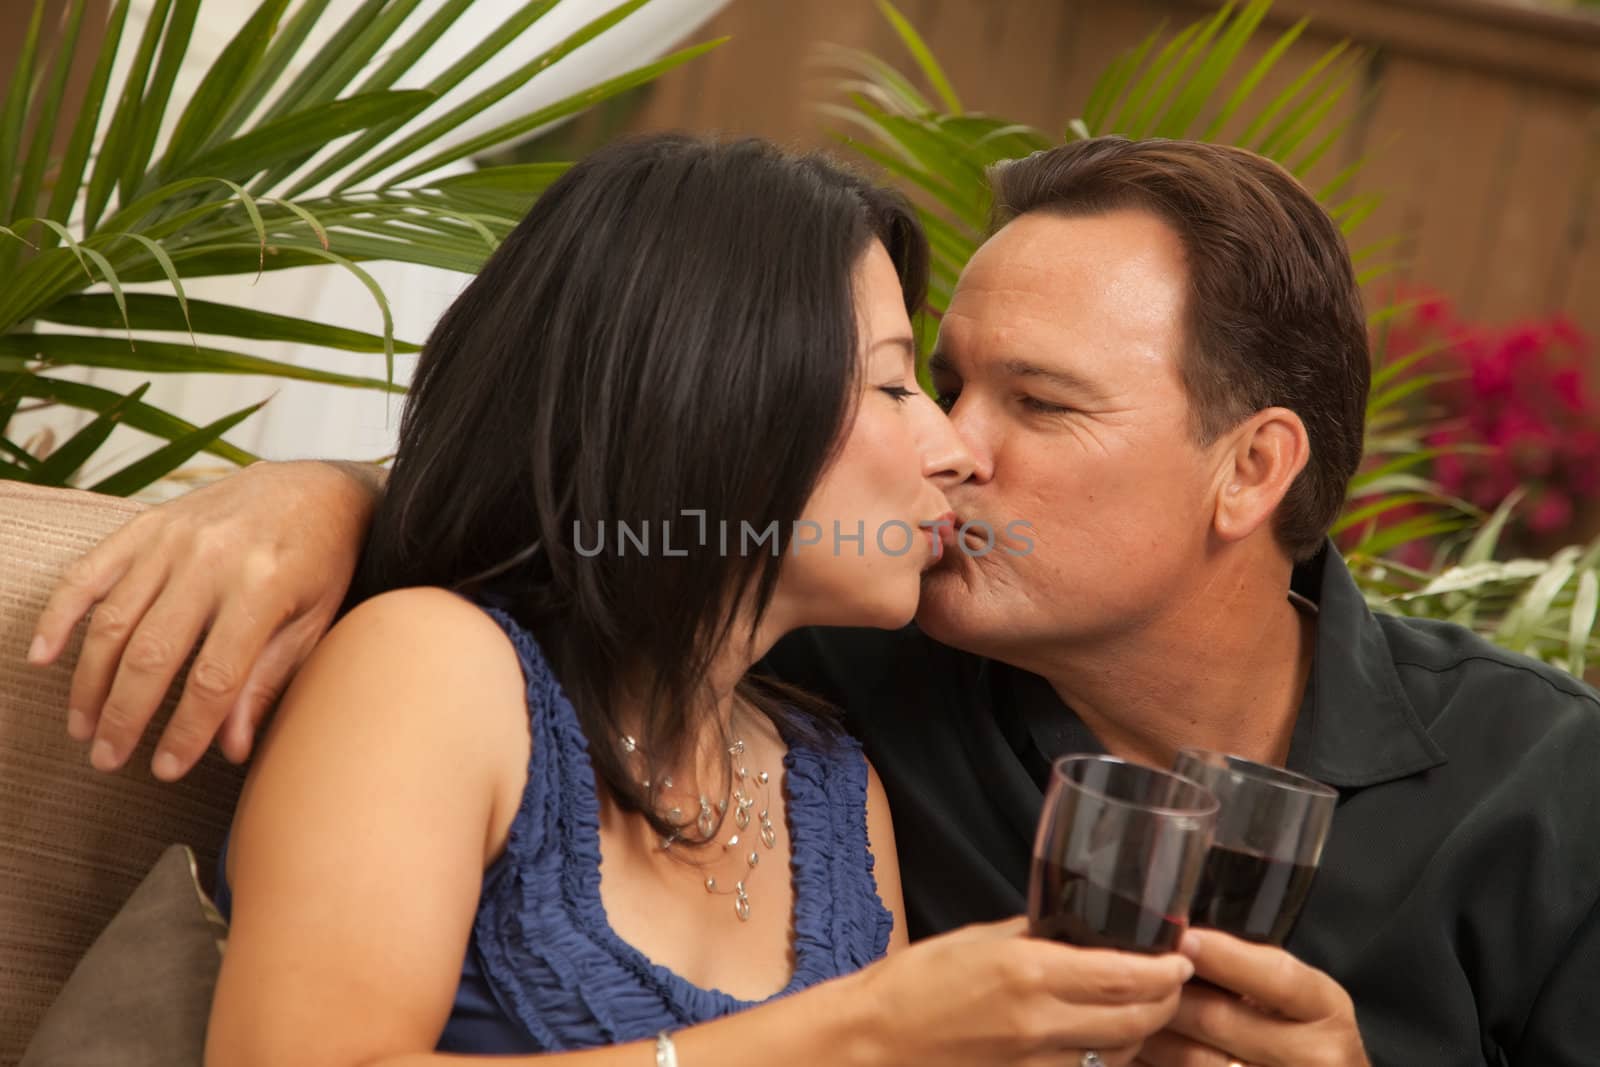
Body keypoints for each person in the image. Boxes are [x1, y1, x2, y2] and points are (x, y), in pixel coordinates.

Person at [28, 137, 1600, 1066]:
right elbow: (605, 495)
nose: (953, 453)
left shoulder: (1552, 795)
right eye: (927, 379)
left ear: (1249, 472)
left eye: (1034, 407)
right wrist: (319, 497)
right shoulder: (870, 655)